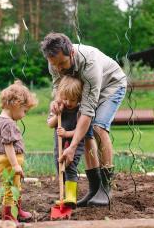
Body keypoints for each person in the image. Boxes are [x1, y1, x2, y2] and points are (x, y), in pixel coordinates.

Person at [41, 32, 127, 207]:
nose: (58, 68)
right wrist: (56, 102)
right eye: (54, 64)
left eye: (62, 63)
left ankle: (105, 187)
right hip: (84, 91)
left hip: (111, 86)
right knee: (86, 135)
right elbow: (59, 87)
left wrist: (72, 147)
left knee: (98, 127)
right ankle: (94, 188)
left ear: (71, 52)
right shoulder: (55, 63)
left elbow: (87, 112)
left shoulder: (90, 64)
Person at [0, 80, 37, 223]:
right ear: (16, 104)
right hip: (10, 163)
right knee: (10, 190)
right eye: (24, 111)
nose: (24, 115)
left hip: (3, 160)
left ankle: (17, 211)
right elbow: (8, 145)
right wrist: (15, 164)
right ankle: (9, 218)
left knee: (14, 187)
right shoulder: (9, 123)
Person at [47, 76, 84, 208]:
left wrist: (66, 133)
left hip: (75, 144)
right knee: (60, 168)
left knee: (70, 167)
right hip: (60, 145)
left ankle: (71, 197)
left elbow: (81, 129)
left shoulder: (80, 111)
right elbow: (50, 124)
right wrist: (58, 114)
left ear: (79, 98)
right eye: (65, 98)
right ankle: (64, 195)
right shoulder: (58, 107)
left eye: (72, 100)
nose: (68, 102)